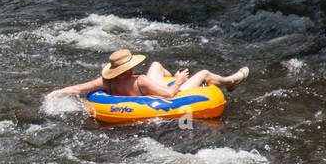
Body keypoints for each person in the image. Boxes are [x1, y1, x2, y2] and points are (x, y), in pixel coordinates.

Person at [47, 49, 249, 100]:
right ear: (131, 69)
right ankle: (233, 80)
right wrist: (178, 81)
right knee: (204, 73)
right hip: (158, 94)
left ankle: (169, 74)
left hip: (146, 92)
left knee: (156, 65)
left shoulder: (105, 83)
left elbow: (78, 89)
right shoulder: (141, 81)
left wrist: (55, 94)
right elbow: (169, 95)